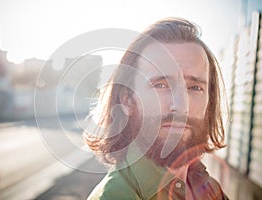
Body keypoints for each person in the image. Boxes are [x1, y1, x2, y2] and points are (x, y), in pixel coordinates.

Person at [84, 18, 229, 200]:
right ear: (127, 100)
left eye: (195, 88)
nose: (181, 106)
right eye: (160, 85)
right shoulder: (114, 196)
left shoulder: (209, 187)